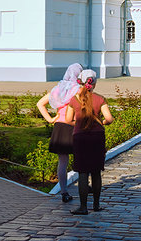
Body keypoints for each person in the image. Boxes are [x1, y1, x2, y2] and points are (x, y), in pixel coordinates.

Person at [64, 69, 114, 215]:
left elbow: (68, 120)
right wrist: (102, 123)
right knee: (96, 172)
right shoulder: (100, 99)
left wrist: (79, 124)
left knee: (83, 173)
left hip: (80, 138)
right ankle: (97, 205)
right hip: (97, 138)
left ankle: (83, 207)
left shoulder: (74, 99)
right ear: (94, 83)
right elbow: (109, 119)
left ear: (79, 81)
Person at [37, 62, 83, 202]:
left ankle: (64, 192)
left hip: (60, 127)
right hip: (75, 126)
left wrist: (50, 119)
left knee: (62, 161)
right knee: (81, 160)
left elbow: (40, 103)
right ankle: (84, 188)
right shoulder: (78, 90)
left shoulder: (58, 89)